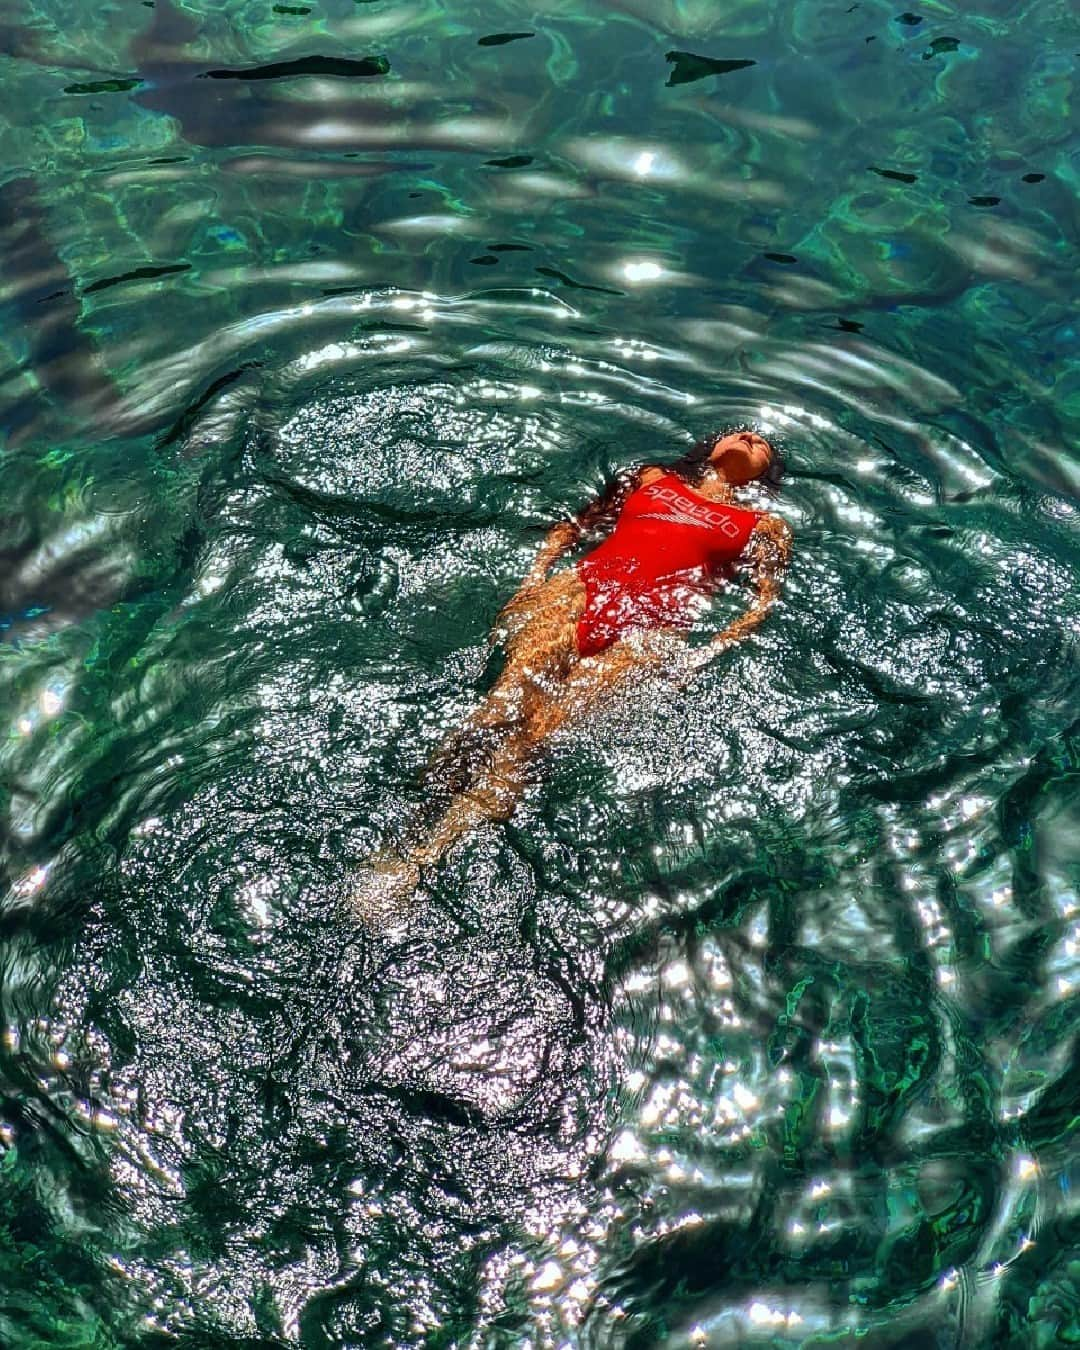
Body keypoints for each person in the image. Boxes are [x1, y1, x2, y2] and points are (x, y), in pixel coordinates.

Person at [348, 430, 792, 924]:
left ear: (767, 474)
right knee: (499, 709)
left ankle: (415, 862)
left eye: (763, 446)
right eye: (739, 432)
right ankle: (403, 818)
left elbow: (762, 605)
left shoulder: (764, 526)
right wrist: (534, 578)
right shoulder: (652, 478)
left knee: (534, 737)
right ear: (709, 448)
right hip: (579, 591)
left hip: (649, 632)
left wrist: (704, 654)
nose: (751, 436)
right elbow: (574, 527)